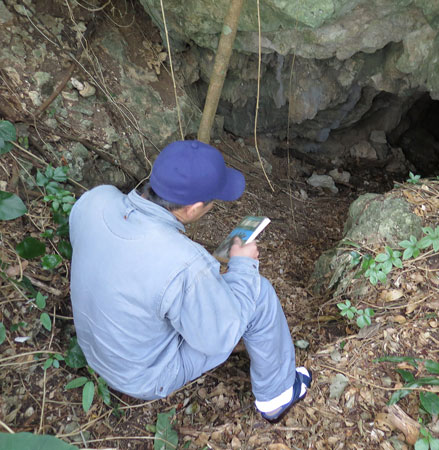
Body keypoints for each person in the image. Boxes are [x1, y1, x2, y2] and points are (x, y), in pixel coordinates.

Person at [69, 140, 311, 423]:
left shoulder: (96, 200)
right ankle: (278, 396)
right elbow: (218, 337)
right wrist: (243, 265)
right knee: (259, 295)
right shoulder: (184, 263)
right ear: (194, 208)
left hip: (97, 349)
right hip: (144, 375)